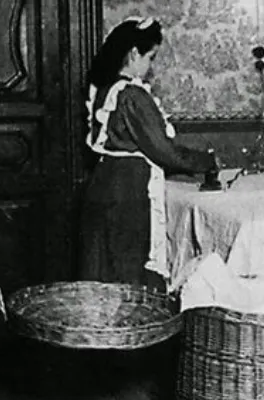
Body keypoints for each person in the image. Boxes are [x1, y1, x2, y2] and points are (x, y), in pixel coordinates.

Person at [79, 17, 215, 290]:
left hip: (104, 184)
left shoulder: (105, 89)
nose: (151, 67)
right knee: (127, 271)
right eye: (150, 57)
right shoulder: (132, 95)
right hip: (128, 192)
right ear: (133, 54)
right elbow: (163, 149)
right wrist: (207, 161)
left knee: (103, 270)